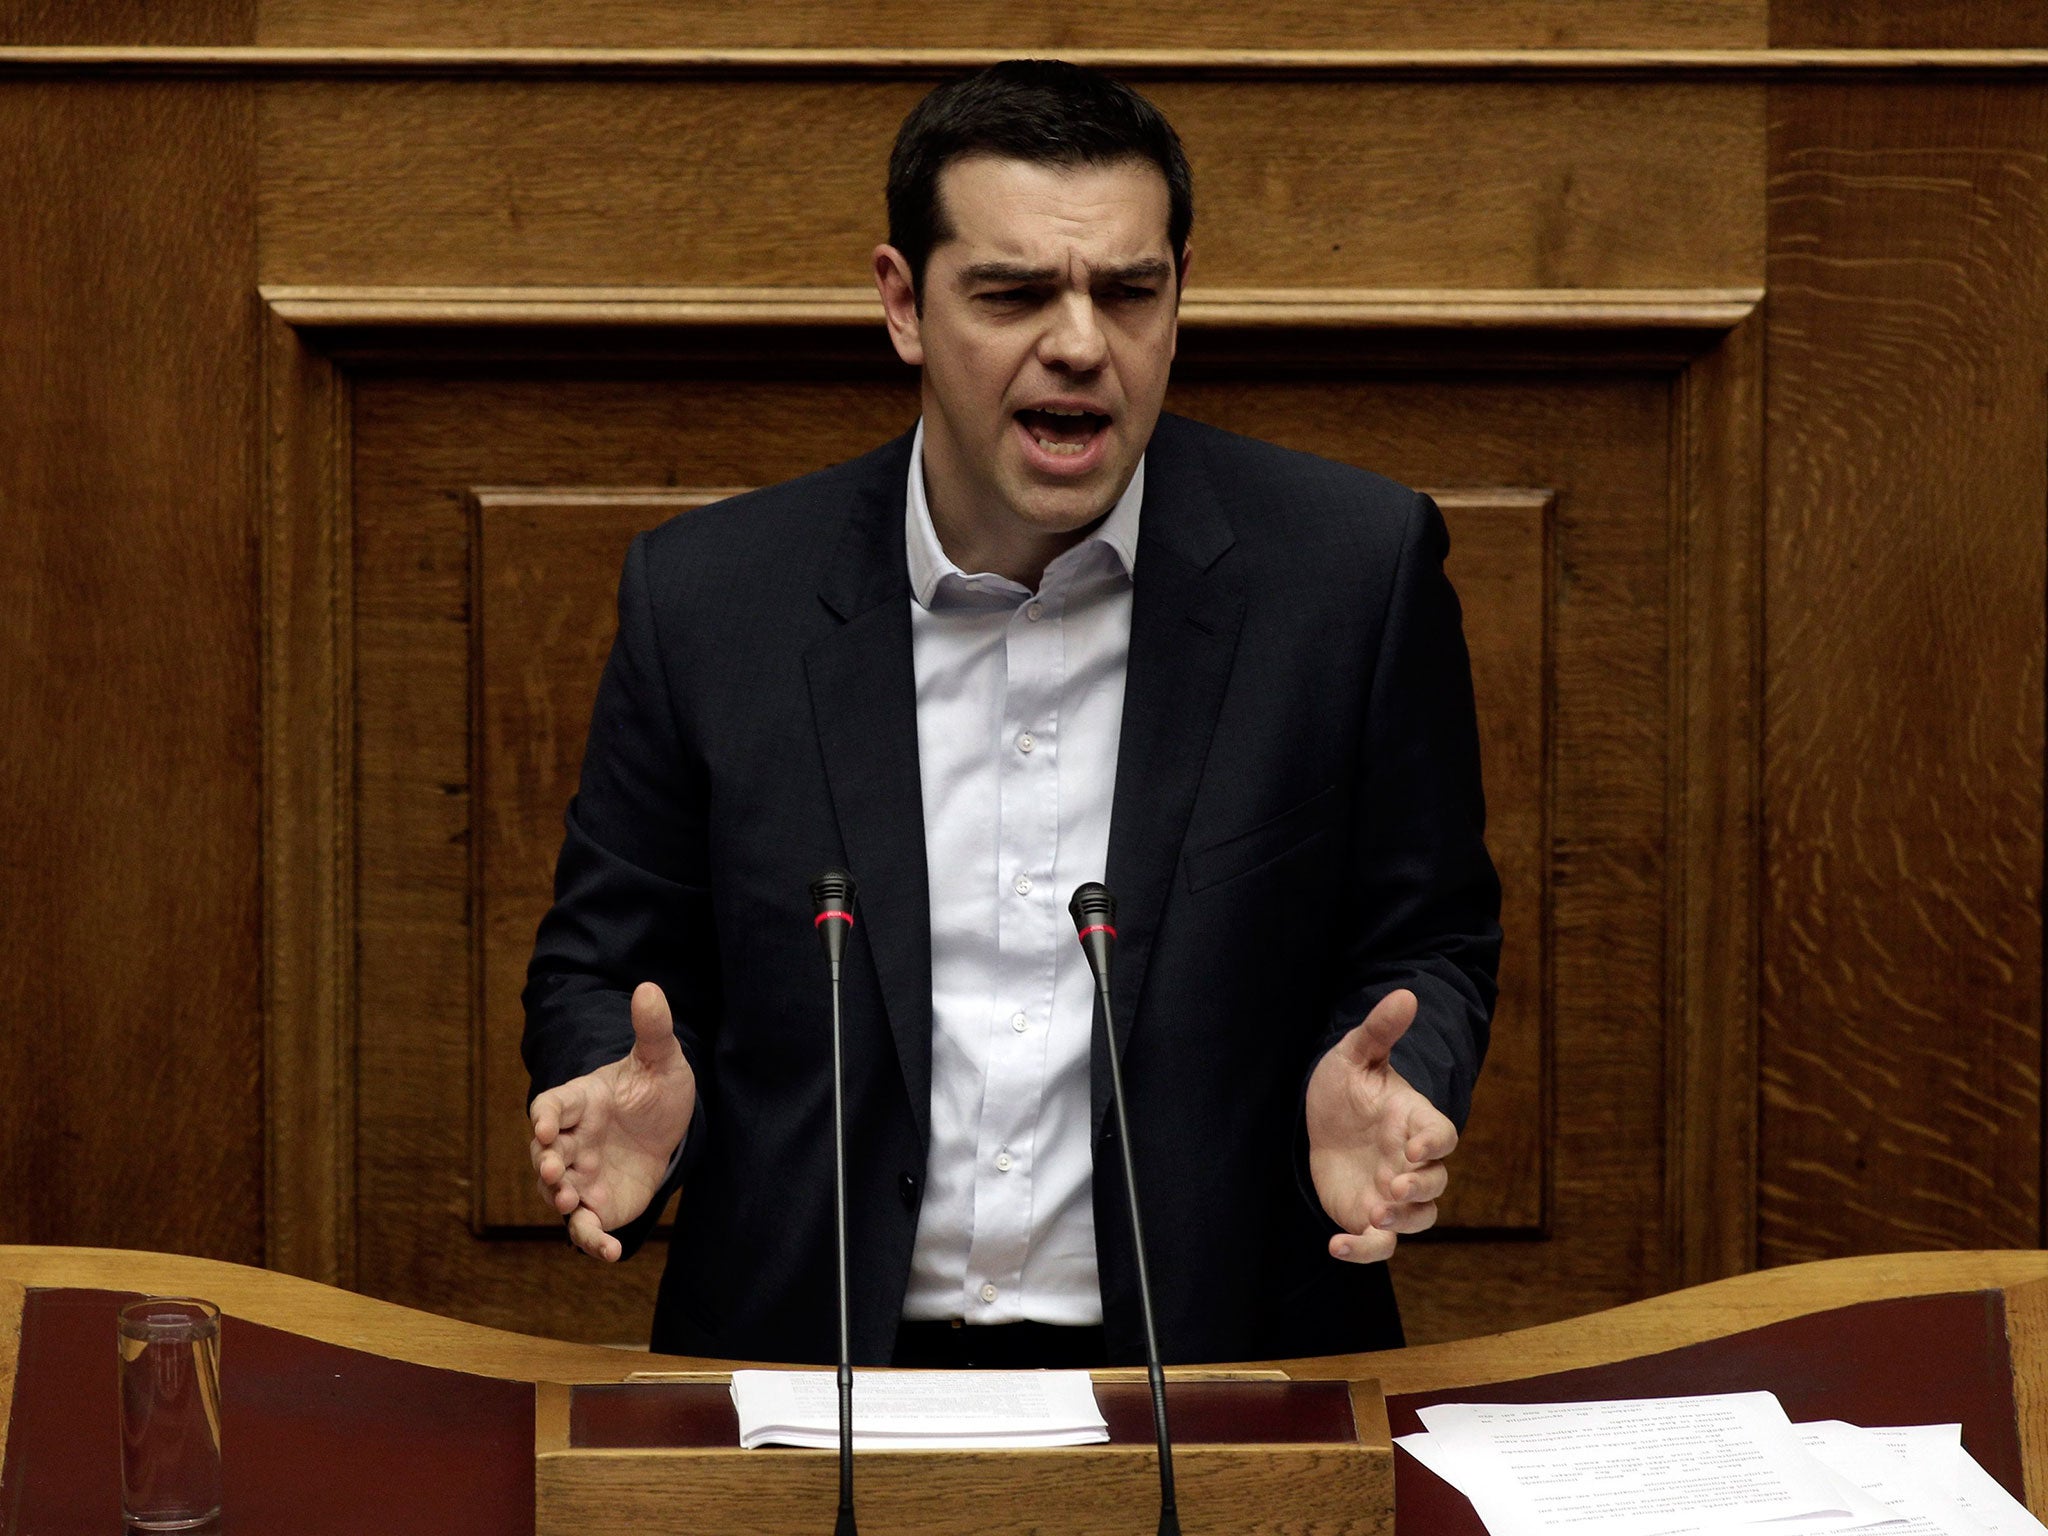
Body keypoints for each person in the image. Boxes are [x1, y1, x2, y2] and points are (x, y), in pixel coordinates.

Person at [524, 59, 1500, 1369]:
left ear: (1177, 300)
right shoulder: (712, 599)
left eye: (1128, 292)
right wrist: (648, 1104)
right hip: (817, 1372)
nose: (1082, 344)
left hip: (1213, 1358)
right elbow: (604, 964)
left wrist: (1395, 1078)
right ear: (902, 305)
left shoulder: (1348, 574)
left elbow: (1429, 933)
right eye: (1014, 292)